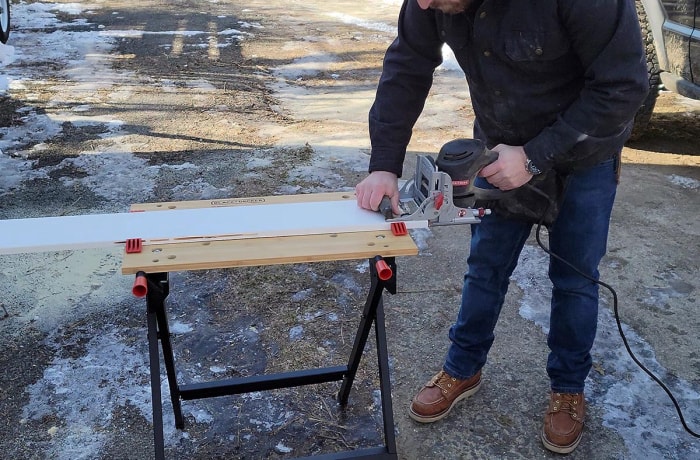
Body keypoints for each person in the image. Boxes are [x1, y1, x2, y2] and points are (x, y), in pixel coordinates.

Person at [355, 0, 649, 454]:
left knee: (575, 279)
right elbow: (407, 66)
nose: (426, 4)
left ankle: (568, 389)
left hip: (583, 156)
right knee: (485, 267)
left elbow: (623, 86)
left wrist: (534, 157)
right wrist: (383, 164)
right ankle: (463, 366)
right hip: (497, 152)